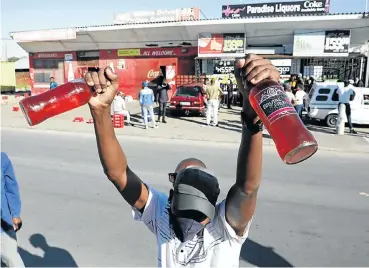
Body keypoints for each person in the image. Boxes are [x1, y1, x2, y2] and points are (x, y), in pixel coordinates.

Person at [83, 54, 280, 267]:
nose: (191, 183)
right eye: (184, 177)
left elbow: (247, 188)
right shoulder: (161, 214)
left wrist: (251, 118)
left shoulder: (225, 224)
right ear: (173, 187)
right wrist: (101, 110)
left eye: (198, 176)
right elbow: (118, 174)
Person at [1, 152, 25, 267]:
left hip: (3, 226)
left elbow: (11, 188)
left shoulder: (2, 159)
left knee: (12, 259)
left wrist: (15, 214)